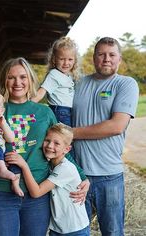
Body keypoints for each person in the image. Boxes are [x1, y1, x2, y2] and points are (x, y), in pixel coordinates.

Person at [0, 57, 90, 236]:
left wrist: (82, 176)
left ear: (31, 79)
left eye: (23, 77)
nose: (18, 82)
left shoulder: (44, 112)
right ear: (4, 80)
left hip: (37, 195)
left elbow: (61, 149)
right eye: (11, 77)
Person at [72, 37, 139, 235]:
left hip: (108, 177)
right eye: (101, 54)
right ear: (93, 58)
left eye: (111, 55)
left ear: (119, 59)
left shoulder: (126, 84)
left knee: (112, 232)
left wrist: (72, 133)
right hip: (77, 174)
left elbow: (116, 126)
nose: (106, 59)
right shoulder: (79, 83)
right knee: (77, 231)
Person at [6, 123, 90, 236]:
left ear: (67, 149)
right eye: (47, 140)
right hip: (57, 229)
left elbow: (36, 192)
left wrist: (24, 166)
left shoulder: (65, 169)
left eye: (56, 143)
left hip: (74, 229)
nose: (50, 145)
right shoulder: (49, 163)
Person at [31, 36, 79, 126]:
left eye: (70, 59)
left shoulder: (69, 76)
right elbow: (41, 92)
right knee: (64, 137)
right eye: (62, 59)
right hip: (60, 112)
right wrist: (26, 106)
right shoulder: (54, 74)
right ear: (54, 59)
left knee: (67, 137)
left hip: (69, 111)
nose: (66, 63)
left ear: (74, 60)